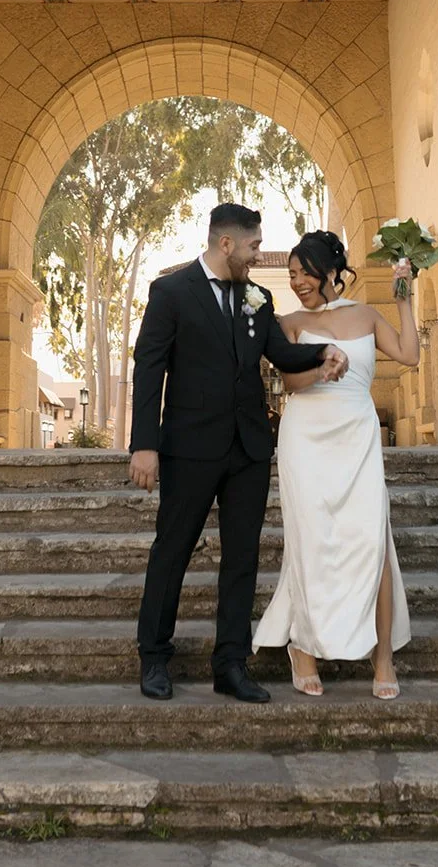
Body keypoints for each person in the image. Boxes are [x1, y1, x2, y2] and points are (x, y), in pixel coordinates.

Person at [128, 203, 350, 704]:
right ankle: (155, 657)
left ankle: (230, 664)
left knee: (243, 559)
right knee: (173, 551)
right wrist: (145, 443)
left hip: (248, 448)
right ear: (225, 243)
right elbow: (150, 368)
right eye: (252, 247)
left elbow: (280, 353)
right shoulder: (170, 293)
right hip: (188, 448)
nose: (256, 256)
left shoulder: (258, 297)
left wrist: (320, 352)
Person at [253, 230, 418, 699]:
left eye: (305, 272)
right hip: (307, 437)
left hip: (357, 436)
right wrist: (320, 368)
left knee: (373, 540)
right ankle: (302, 648)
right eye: (291, 274)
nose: (298, 281)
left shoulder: (366, 314)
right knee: (311, 540)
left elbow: (408, 354)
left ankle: (382, 654)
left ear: (330, 271)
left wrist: (405, 297)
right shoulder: (287, 322)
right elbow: (291, 383)